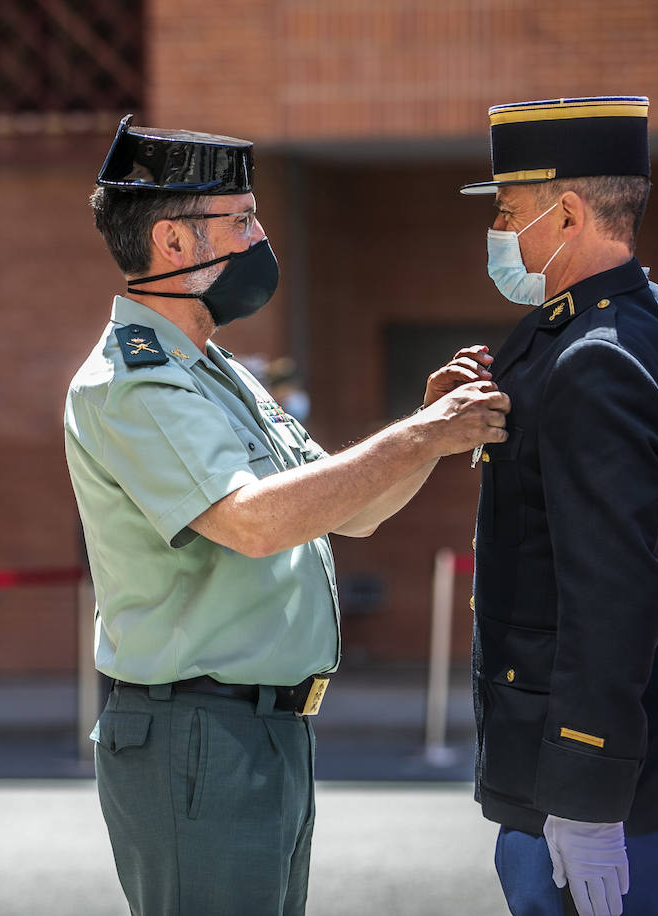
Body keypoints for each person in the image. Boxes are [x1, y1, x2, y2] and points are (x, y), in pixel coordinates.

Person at [64, 115, 511, 916]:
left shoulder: (215, 370)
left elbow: (350, 513)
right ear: (173, 241)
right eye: (240, 220)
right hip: (197, 732)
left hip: (260, 729)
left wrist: (425, 439)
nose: (261, 236)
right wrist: (417, 435)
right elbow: (255, 523)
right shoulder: (132, 383)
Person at [457, 96, 658, 916]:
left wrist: (585, 788)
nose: (497, 231)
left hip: (589, 767)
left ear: (568, 213)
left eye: (508, 212)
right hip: (629, 743)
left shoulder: (594, 358)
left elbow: (609, 586)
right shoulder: (641, 316)